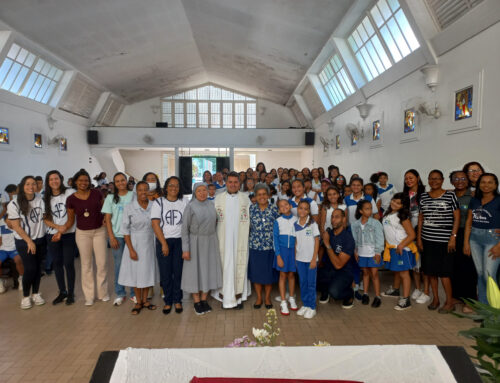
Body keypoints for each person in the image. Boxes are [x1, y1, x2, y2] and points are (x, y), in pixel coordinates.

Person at [417, 170, 460, 313]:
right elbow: (421, 218)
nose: (434, 181)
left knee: (445, 273)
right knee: (431, 272)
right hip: (428, 239)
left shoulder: (450, 195)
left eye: (437, 179)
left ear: (442, 180)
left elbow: (457, 217)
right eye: (431, 179)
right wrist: (419, 238)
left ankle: (449, 301)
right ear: (428, 180)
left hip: (445, 240)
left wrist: (453, 237)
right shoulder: (423, 196)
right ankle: (436, 299)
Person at [66, 169, 108, 306]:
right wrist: (60, 230)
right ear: (75, 182)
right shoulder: (71, 199)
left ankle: (103, 293)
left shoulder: (97, 193)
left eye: (86, 180)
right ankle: (89, 296)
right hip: (83, 234)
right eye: (80, 180)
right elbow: (71, 220)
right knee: (86, 265)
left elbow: (105, 209)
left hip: (99, 231)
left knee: (101, 264)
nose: (83, 183)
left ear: (89, 181)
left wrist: (106, 220)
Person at [384, 169, 427, 302]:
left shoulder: (423, 195)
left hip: (415, 231)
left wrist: (408, 239)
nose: (408, 180)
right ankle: (413, 288)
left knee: (419, 262)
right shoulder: (403, 195)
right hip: (403, 233)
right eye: (406, 178)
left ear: (418, 178)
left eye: (411, 178)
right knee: (408, 265)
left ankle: (422, 291)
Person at [181, 183, 223, 315]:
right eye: (199, 191)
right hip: (195, 242)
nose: (202, 193)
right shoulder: (190, 206)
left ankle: (204, 300)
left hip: (210, 241)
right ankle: (196, 301)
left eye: (204, 190)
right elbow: (184, 230)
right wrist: (185, 249)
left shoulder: (212, 205)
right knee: (195, 272)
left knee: (208, 271)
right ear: (194, 193)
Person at [118, 181, 158, 315]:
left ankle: (146, 300)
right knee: (135, 273)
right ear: (136, 191)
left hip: (149, 242)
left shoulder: (154, 205)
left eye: (145, 190)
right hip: (134, 243)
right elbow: (125, 230)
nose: (143, 192)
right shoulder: (129, 207)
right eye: (140, 190)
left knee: (147, 272)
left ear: (149, 191)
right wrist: (131, 249)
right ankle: (138, 301)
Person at [213, 172, 251, 309]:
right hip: (223, 241)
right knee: (225, 266)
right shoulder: (218, 199)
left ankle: (238, 297)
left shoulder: (246, 199)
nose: (233, 184)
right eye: (230, 182)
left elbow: (250, 220)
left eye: (236, 182)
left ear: (239, 184)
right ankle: (226, 297)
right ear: (226, 182)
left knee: (239, 266)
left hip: (240, 240)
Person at [7, 176, 46, 309]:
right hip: (24, 241)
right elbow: (16, 226)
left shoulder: (40, 199)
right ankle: (25, 296)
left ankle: (35, 293)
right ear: (22, 186)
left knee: (38, 268)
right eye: (28, 184)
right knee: (30, 268)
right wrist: (29, 241)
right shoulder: (14, 203)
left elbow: (45, 218)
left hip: (40, 238)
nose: (31, 186)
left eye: (33, 184)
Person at [151, 176, 188, 314]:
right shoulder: (158, 202)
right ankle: (168, 300)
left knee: (178, 272)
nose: (174, 188)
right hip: (163, 240)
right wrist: (164, 244)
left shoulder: (184, 201)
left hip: (179, 241)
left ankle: (178, 300)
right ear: (166, 187)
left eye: (177, 186)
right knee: (165, 273)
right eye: (171, 185)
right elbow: (155, 224)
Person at [464, 173, 500, 304]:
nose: (486, 185)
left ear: (496, 185)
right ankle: (484, 309)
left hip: (493, 240)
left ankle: (495, 310)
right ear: (479, 184)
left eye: (490, 182)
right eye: (483, 182)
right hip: (474, 239)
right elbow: (469, 221)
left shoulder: (499, 200)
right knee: (480, 274)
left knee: (489, 275)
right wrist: (466, 243)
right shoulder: (475, 200)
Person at [43, 170, 77, 306]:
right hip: (52, 235)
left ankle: (70, 293)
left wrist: (62, 230)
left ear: (61, 179)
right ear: (48, 182)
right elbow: (45, 218)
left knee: (68, 263)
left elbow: (73, 214)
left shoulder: (70, 193)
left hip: (68, 233)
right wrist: (58, 228)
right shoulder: (45, 197)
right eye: (51, 179)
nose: (54, 181)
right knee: (57, 263)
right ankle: (62, 291)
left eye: (56, 178)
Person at [101, 172, 135, 306]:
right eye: (117, 181)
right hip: (117, 236)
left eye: (122, 180)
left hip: (132, 236)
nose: (120, 183)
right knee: (119, 265)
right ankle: (120, 293)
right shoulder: (110, 198)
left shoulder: (133, 195)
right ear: (114, 184)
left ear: (127, 181)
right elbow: (107, 219)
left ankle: (133, 293)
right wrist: (111, 236)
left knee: (133, 264)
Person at [382, 193, 418, 310]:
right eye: (393, 201)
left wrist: (401, 245)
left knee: (404, 273)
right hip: (393, 248)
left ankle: (406, 299)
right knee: (397, 271)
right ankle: (396, 290)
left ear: (403, 206)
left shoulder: (403, 217)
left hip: (402, 249)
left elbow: (412, 235)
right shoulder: (387, 214)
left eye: (398, 203)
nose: (394, 204)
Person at [449, 171, 477, 312]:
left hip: (468, 234)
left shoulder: (473, 196)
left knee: (468, 267)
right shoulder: (449, 195)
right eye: (456, 179)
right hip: (451, 234)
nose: (459, 181)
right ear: (451, 181)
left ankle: (470, 300)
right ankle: (456, 296)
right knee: (454, 266)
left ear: (468, 180)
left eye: (463, 178)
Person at [248, 184, 279, 310]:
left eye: (264, 194)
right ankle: (259, 297)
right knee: (256, 274)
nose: (262, 197)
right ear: (255, 196)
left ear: (268, 195)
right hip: (255, 246)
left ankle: (267, 298)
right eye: (259, 194)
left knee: (268, 274)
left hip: (269, 247)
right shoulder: (251, 209)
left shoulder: (274, 210)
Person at [318, 209, 356, 309]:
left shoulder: (348, 239)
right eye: (332, 217)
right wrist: (319, 263)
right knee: (311, 276)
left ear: (344, 219)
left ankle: (350, 294)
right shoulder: (329, 233)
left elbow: (338, 265)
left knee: (335, 293)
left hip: (343, 272)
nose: (333, 220)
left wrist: (327, 244)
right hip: (328, 269)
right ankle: (325, 290)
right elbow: (321, 248)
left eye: (337, 217)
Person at [351, 200, 384, 308]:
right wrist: (355, 251)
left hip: (373, 253)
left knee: (374, 274)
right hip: (361, 252)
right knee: (365, 273)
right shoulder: (355, 225)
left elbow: (380, 238)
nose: (370, 211)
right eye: (367, 208)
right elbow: (354, 240)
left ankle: (378, 296)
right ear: (360, 211)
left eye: (370, 208)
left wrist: (378, 252)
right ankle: (365, 294)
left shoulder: (375, 223)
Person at [295, 201, 320, 319]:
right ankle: (305, 304)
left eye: (306, 209)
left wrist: (314, 258)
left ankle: (312, 307)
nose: (303, 211)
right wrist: (295, 258)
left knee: (311, 283)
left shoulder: (312, 224)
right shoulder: (295, 224)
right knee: (303, 282)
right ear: (297, 209)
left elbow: (316, 241)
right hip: (300, 260)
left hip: (311, 260)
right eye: (301, 208)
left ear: (309, 211)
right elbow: (295, 242)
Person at [273, 199, 297, 316]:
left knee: (291, 274)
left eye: (285, 205)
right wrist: (278, 255)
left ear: (290, 205)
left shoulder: (296, 220)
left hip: (293, 251)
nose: (284, 207)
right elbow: (275, 240)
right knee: (283, 275)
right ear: (279, 209)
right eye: (281, 206)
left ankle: (291, 297)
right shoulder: (277, 221)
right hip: (282, 252)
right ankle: (283, 301)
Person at [0, 213, 23, 294]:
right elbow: (0, 239)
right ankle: (1, 282)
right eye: (7, 222)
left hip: (14, 249)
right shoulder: (1, 224)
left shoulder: (17, 224)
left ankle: (21, 278)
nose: (9, 224)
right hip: (3, 249)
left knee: (18, 259)